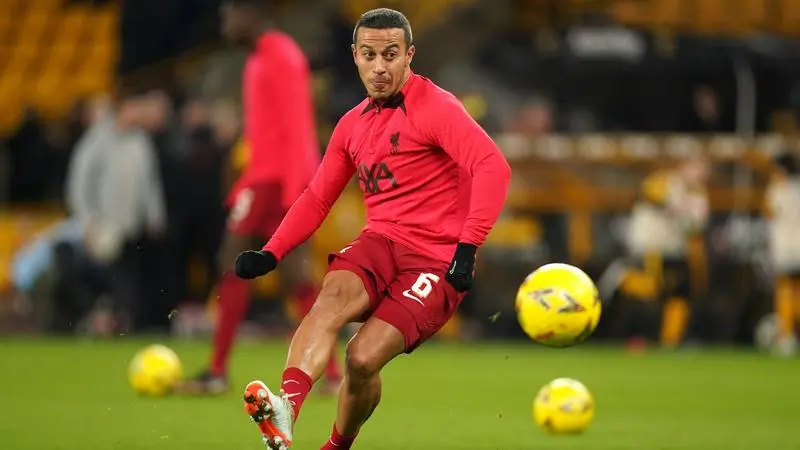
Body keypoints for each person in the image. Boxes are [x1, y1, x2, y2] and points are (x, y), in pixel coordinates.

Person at [233, 8, 511, 450]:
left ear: (409, 56)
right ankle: (286, 409)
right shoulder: (351, 124)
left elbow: (492, 166)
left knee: (362, 359)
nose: (379, 67)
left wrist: (467, 247)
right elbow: (317, 196)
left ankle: (335, 447)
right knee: (329, 299)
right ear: (355, 56)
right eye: (369, 55)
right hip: (380, 240)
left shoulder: (437, 108)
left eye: (390, 55)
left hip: (435, 260)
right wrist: (273, 251)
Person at [176, 0, 340, 395]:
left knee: (242, 263)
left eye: (229, 15)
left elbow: (299, 127)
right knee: (286, 275)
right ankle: (332, 374)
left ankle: (218, 371)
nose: (224, 23)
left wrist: (297, 193)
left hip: (277, 182)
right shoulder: (259, 58)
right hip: (266, 177)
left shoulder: (281, 56)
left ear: (250, 13)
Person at [765, 152, 800, 356]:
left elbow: (769, 212)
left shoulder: (778, 189)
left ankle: (785, 336)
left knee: (785, 292)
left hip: (786, 248)